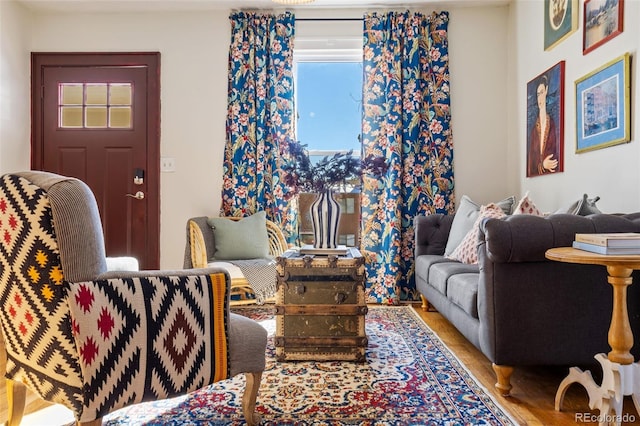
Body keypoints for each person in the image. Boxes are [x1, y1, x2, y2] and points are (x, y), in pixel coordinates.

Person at [527, 74, 559, 177]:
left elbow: (555, 156)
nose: (540, 98)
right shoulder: (533, 131)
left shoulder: (553, 125)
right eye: (538, 94)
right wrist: (542, 165)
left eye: (541, 93)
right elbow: (531, 164)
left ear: (546, 91)